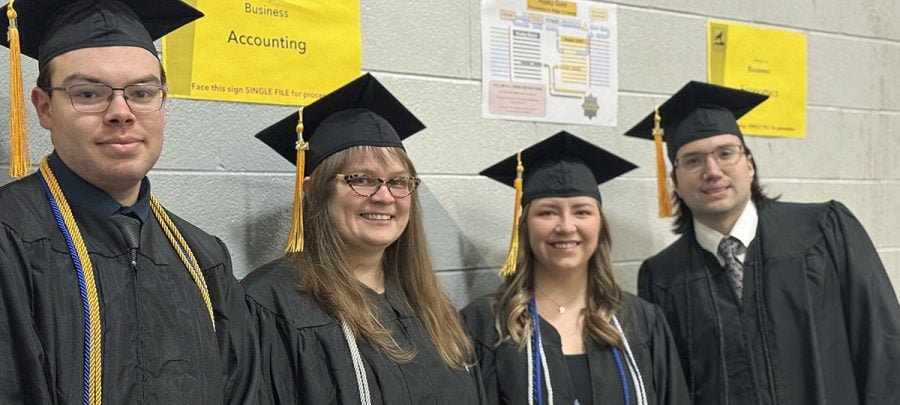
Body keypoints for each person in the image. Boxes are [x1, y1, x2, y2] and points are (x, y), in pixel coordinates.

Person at [0, 0, 258, 403]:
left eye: (141, 92)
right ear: (45, 108)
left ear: (163, 105)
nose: (121, 112)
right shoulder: (8, 238)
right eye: (88, 93)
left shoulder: (205, 258)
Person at [626, 81, 900, 404]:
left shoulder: (824, 232)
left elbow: (884, 350)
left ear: (750, 166)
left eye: (726, 153)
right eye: (693, 160)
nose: (712, 171)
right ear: (676, 182)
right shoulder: (661, 278)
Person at [243, 73, 485, 404]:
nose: (384, 197)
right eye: (362, 179)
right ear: (314, 191)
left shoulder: (432, 305)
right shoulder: (268, 304)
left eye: (398, 182)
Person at [461, 131, 691, 405]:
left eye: (582, 211)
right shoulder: (485, 325)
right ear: (524, 227)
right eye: (547, 212)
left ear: (600, 225)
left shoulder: (642, 321)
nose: (566, 227)